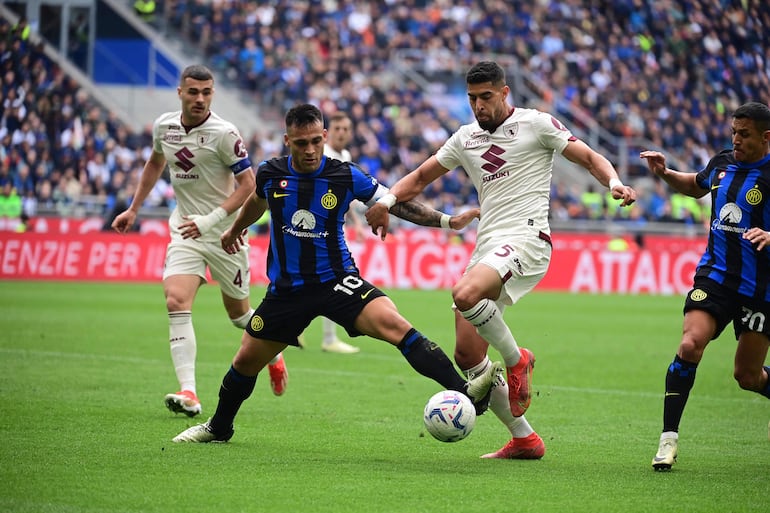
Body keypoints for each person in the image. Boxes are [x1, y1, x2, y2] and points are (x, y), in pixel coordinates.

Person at [172, 103, 497, 443]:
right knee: (245, 362)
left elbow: (393, 201)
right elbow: (257, 200)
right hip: (286, 291)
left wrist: (446, 221)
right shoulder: (270, 172)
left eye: (316, 140)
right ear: (287, 141)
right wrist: (234, 228)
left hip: (337, 281)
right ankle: (219, 428)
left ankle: (465, 392)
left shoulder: (344, 174)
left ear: (324, 136)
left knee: (396, 326)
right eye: (301, 143)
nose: (310, 150)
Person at [366, 61, 637, 459]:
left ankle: (516, 359)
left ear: (505, 93)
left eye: (486, 97)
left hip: (528, 237)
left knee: (465, 293)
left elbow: (589, 157)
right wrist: (387, 200)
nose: (479, 106)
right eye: (472, 98)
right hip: (489, 244)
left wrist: (614, 182)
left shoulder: (537, 124)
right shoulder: (465, 138)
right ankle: (525, 438)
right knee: (468, 355)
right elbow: (420, 177)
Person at [111, 64, 288, 418]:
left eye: (206, 93)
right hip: (184, 231)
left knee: (239, 316)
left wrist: (212, 220)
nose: (200, 99)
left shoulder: (224, 133)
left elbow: (249, 188)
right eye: (193, 92)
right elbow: (154, 164)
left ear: (213, 94)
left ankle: (275, 353)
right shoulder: (165, 126)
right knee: (176, 300)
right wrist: (133, 208)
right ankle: (189, 391)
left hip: (226, 234)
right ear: (180, 92)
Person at [640, 101, 770, 471]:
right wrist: (665, 173)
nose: (736, 139)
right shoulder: (722, 162)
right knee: (689, 343)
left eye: (744, 134)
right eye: (734, 132)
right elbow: (695, 186)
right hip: (715, 276)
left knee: (747, 376)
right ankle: (668, 440)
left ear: (766, 137)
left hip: (761, 288)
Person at [297, 110, 364, 354]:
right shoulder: (321, 155)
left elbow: (347, 195)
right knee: (330, 279)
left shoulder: (345, 155)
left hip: (334, 226)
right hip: (314, 226)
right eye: (337, 129)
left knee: (322, 280)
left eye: (346, 129)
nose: (342, 133)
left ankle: (303, 331)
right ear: (328, 132)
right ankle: (324, 337)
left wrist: (356, 222)